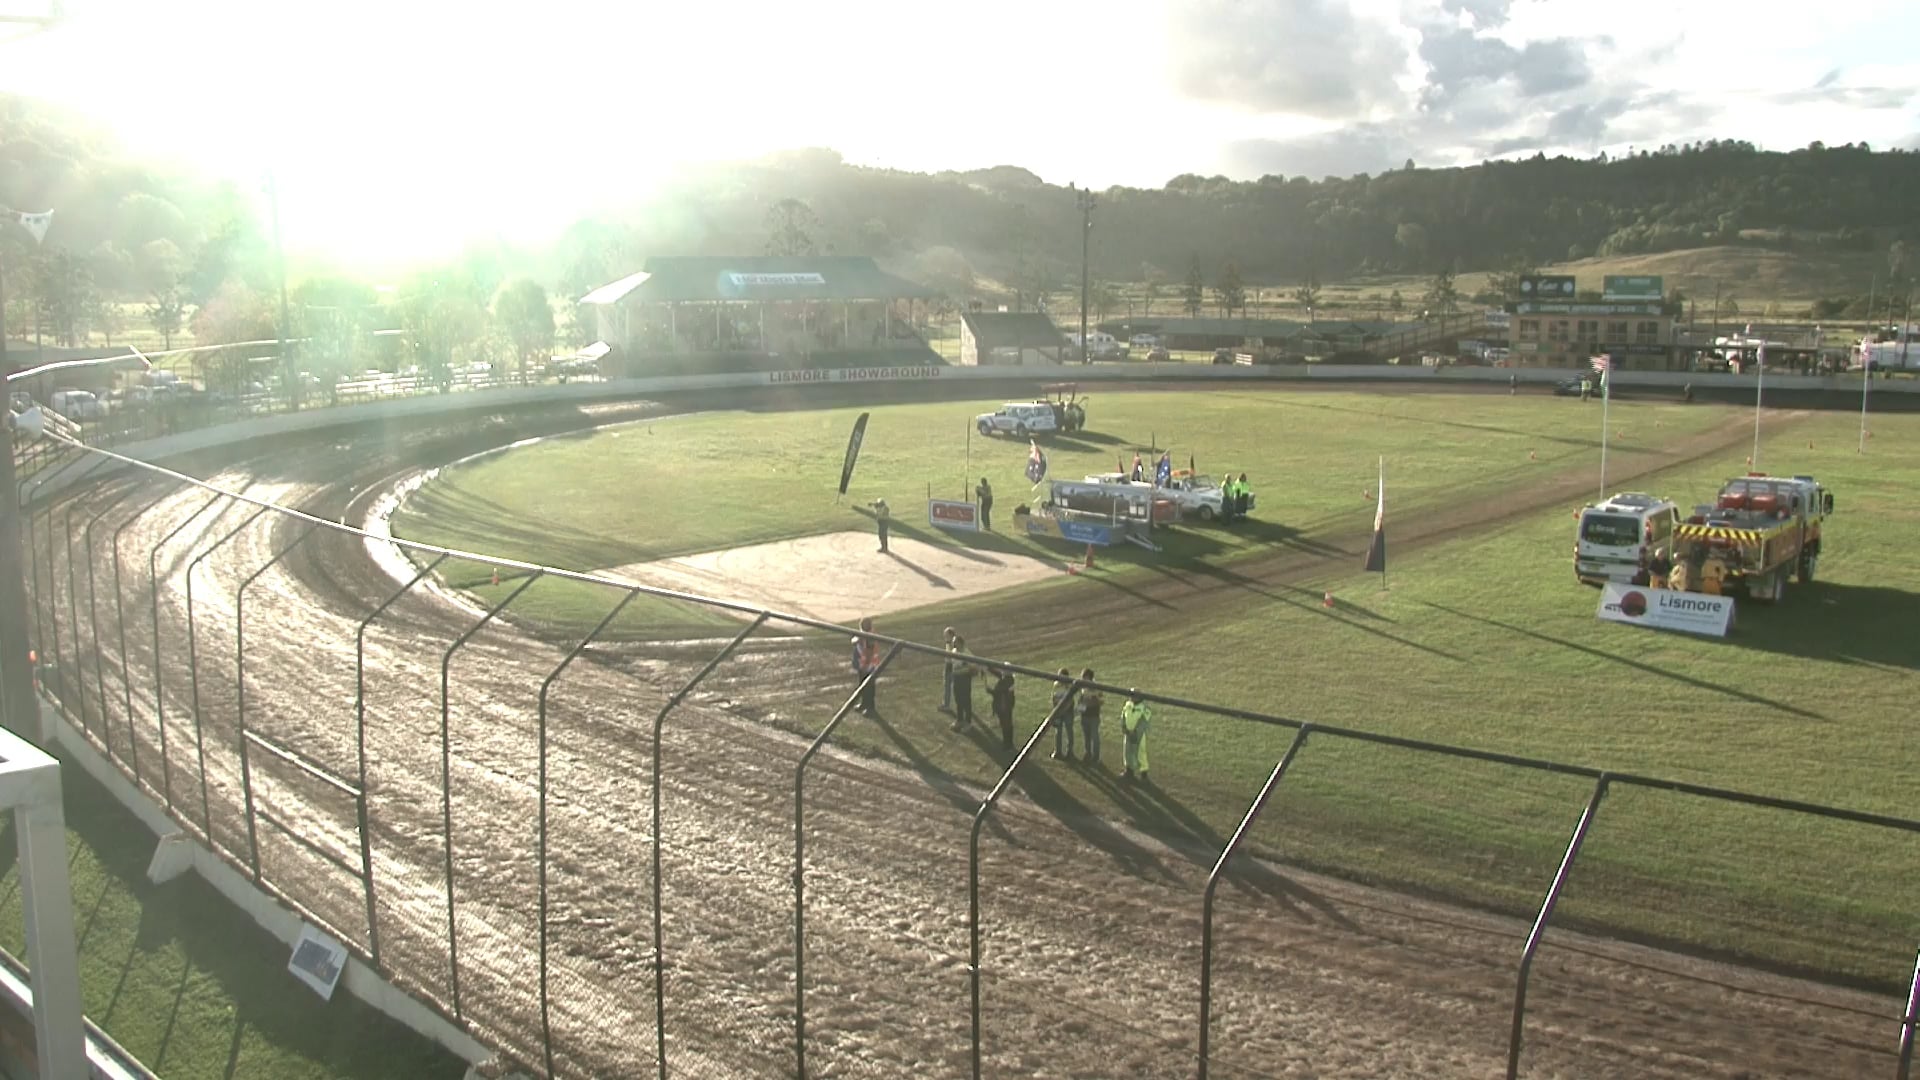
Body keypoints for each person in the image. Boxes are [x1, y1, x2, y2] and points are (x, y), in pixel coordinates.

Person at [850, 617, 882, 717]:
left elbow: (869, 652)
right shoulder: (863, 634)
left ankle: (870, 708)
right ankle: (864, 704)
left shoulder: (869, 637)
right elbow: (854, 640)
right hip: (864, 664)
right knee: (862, 685)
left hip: (869, 666)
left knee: (869, 687)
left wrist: (865, 665)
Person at [1121, 690, 1152, 783]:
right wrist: (1124, 728)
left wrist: (1136, 732)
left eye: (1133, 696)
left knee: (1140, 753)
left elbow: (1144, 721)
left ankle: (1144, 774)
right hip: (1128, 732)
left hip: (1139, 734)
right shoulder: (1128, 704)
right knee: (1127, 751)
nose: (1131, 697)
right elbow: (1123, 716)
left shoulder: (1145, 708)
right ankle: (1128, 770)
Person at [1049, 669, 1077, 761]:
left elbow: (1070, 700)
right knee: (1058, 732)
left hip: (1068, 711)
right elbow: (1053, 697)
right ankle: (1058, 751)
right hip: (1058, 711)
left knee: (1069, 731)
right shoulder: (1056, 685)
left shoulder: (1070, 686)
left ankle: (1070, 752)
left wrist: (1063, 709)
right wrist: (1056, 710)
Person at [1077, 669, 1103, 765]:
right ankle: (1088, 753)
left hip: (1094, 716)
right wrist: (1081, 707)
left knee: (1094, 737)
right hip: (1084, 715)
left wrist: (1091, 702)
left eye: (1084, 677)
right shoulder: (1082, 688)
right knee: (1086, 736)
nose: (1082, 679)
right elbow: (1080, 700)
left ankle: (1096, 757)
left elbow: (1101, 701)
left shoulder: (1097, 687)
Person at [988, 669, 1017, 750]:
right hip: (1006, 705)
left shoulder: (1007, 681)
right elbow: (997, 673)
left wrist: (990, 691)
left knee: (1006, 724)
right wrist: (988, 667)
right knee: (1006, 724)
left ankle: (1007, 743)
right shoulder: (1008, 678)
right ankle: (1008, 742)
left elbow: (999, 691)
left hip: (1004, 705)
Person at [949, 652, 978, 732]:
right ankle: (960, 720)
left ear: (960, 643)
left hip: (965, 680)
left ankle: (968, 723)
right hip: (957, 680)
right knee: (958, 701)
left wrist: (963, 670)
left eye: (955, 642)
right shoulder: (954, 651)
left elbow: (973, 667)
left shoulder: (966, 652)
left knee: (966, 702)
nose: (954, 644)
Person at [938, 627, 959, 713]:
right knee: (947, 686)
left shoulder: (954, 644)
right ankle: (946, 704)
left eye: (946, 635)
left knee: (952, 687)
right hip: (948, 665)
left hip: (952, 666)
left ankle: (949, 705)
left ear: (951, 635)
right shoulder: (948, 643)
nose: (945, 637)